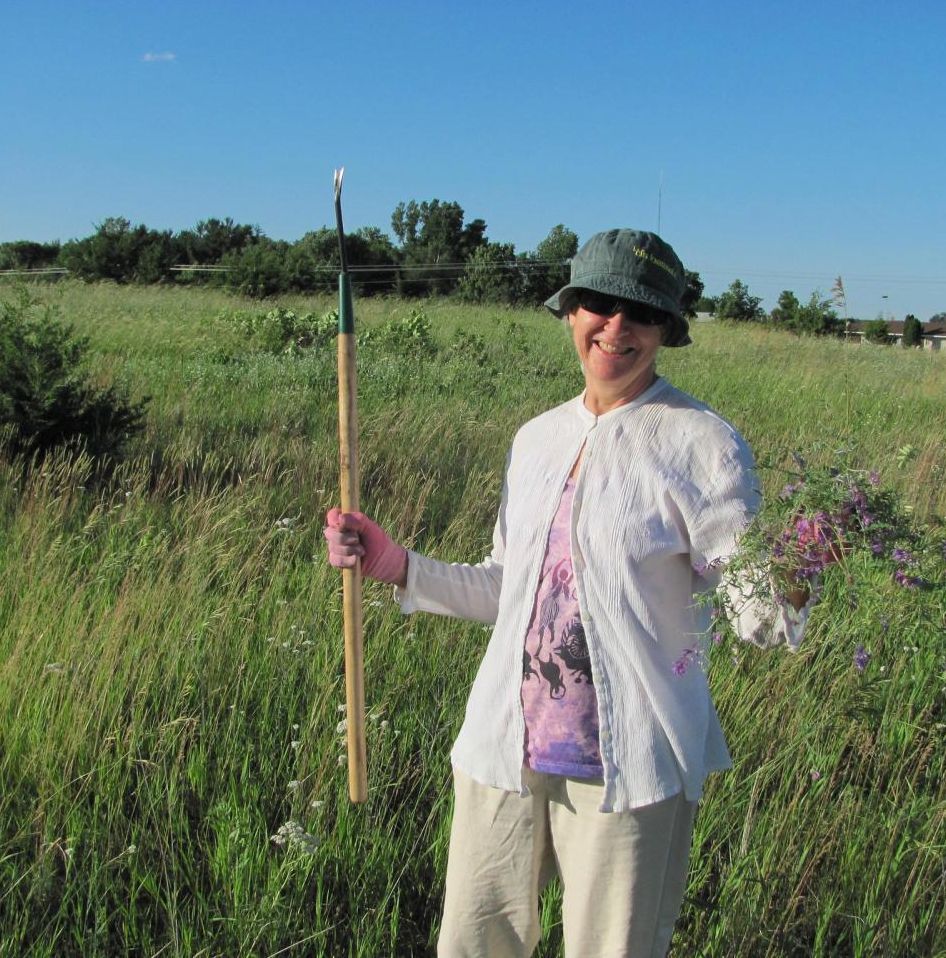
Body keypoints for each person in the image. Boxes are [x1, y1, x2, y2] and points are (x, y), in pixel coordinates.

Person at [324, 229, 811, 957]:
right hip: (503, 753)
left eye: (640, 313)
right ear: (570, 313)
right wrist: (399, 564)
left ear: (666, 330)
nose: (616, 327)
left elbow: (759, 617)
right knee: (472, 946)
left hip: (631, 772)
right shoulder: (536, 439)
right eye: (598, 304)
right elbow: (506, 591)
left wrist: (801, 569)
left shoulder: (702, 443)